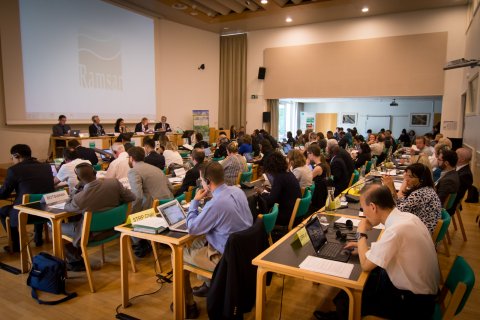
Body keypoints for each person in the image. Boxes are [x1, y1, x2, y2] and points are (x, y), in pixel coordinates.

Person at [315, 184, 439, 320]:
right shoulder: (407, 218)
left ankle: (344, 314)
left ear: (373, 207)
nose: (364, 214)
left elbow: (366, 265)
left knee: (361, 285)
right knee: (364, 284)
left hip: (413, 304)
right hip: (421, 293)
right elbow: (395, 250)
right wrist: (365, 249)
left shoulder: (396, 230)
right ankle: (342, 313)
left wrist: (360, 233)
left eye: (363, 209)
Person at [182, 162, 253, 317]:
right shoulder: (237, 191)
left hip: (226, 260)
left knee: (179, 255)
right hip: (245, 252)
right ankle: (211, 285)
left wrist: (195, 202)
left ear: (208, 182)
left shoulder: (216, 204)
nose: (201, 183)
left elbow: (192, 228)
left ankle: (188, 306)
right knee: (197, 242)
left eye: (201, 180)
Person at [62, 162, 135, 271]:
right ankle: (76, 259)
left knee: (56, 227)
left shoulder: (79, 198)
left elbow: (67, 207)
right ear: (95, 172)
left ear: (78, 178)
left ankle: (75, 261)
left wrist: (75, 190)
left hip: (92, 235)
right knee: (77, 223)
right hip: (115, 229)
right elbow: (131, 197)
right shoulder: (114, 183)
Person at [0, 144, 55, 252]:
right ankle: (38, 238)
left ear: (17, 155)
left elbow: (4, 194)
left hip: (25, 213)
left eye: (12, 157)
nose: (12, 160)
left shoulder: (13, 170)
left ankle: (16, 244)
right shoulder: (46, 166)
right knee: (37, 200)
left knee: (2, 211)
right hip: (46, 211)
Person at [383, 163, 441, 233]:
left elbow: (397, 212)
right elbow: (402, 204)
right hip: (419, 226)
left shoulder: (419, 194)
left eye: (410, 176)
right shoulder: (426, 188)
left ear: (421, 179)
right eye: (406, 175)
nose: (406, 179)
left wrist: (391, 189)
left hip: (420, 233)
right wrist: (392, 188)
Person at [256, 151, 301, 226]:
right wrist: (271, 190)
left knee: (259, 209)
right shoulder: (289, 173)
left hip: (285, 216)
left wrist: (262, 192)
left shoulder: (279, 178)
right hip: (295, 213)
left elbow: (271, 200)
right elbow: (282, 192)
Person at [127, 147, 173, 213]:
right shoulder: (156, 169)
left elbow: (138, 197)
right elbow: (171, 187)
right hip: (169, 204)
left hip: (152, 208)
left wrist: (132, 214)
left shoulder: (133, 171)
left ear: (131, 158)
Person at [451, 148, 474, 214]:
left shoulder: (465, 175)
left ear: (462, 159)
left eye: (455, 155)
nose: (453, 157)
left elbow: (456, 194)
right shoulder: (458, 168)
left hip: (450, 204)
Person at [307, 144, 329, 212]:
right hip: (322, 190)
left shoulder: (318, 168)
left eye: (308, 153)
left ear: (312, 154)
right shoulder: (322, 164)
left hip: (319, 193)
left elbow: (308, 178)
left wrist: (306, 165)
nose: (307, 156)